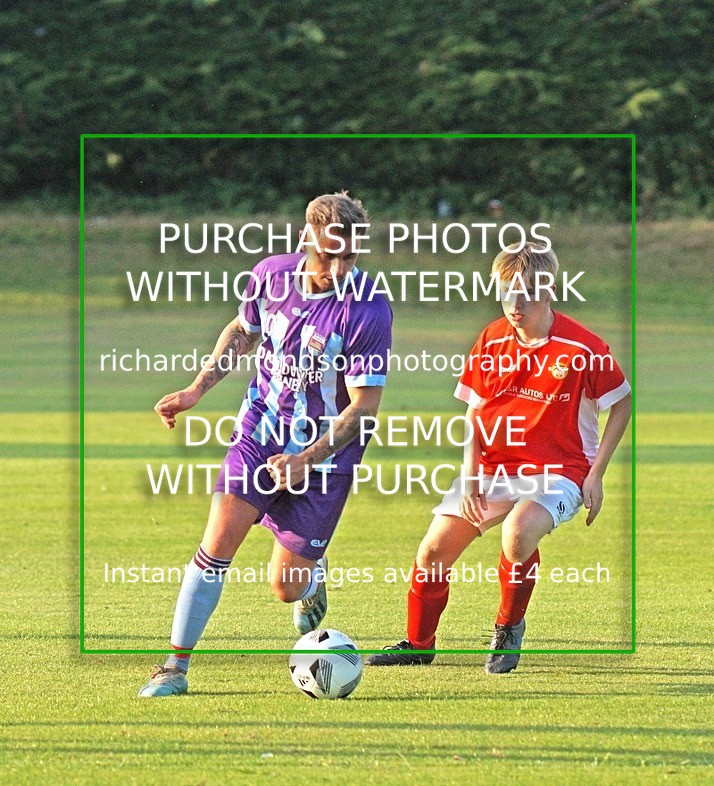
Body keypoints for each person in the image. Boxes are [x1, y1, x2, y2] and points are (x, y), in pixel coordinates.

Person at [140, 192, 392, 697]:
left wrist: (306, 459)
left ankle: (311, 579)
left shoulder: (368, 309)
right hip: (260, 432)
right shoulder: (271, 276)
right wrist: (196, 389)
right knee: (216, 544)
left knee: (286, 587)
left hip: (325, 453)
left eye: (349, 257)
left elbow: (363, 408)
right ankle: (174, 667)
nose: (338, 269)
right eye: (328, 255)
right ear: (305, 238)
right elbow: (243, 330)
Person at [367, 242, 631, 673]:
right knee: (432, 553)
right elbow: (475, 412)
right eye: (507, 292)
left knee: (517, 533)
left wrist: (596, 474)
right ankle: (418, 644)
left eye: (525, 294)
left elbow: (621, 401)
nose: (514, 304)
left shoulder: (583, 347)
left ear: (550, 290)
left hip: (559, 472)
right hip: (493, 468)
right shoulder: (491, 338)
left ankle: (508, 630)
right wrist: (471, 476)